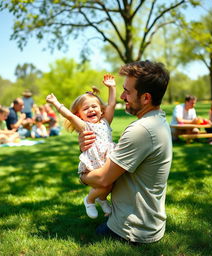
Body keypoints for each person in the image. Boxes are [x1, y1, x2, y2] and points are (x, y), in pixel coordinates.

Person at [79, 60, 172, 244]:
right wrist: (86, 147)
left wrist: (82, 174)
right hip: (149, 222)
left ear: (146, 98)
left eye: (127, 92)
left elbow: (103, 179)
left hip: (131, 229)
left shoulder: (141, 130)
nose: (122, 95)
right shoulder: (158, 120)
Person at [46, 74, 116, 219]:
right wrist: (55, 103)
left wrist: (112, 88)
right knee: (104, 184)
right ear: (79, 114)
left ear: (101, 110)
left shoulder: (106, 121)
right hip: (94, 162)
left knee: (110, 185)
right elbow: (69, 116)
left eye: (94, 106)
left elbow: (112, 105)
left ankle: (102, 200)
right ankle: (89, 200)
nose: (91, 110)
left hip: (107, 158)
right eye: (86, 109)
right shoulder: (85, 126)